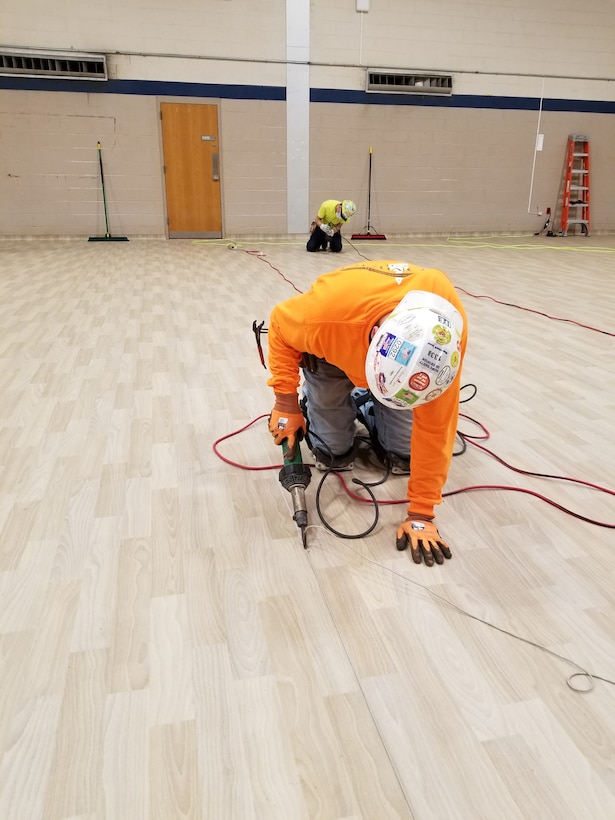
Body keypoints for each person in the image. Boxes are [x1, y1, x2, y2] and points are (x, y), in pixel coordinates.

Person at [266, 259, 468, 567]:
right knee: (332, 453)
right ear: (375, 335)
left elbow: (437, 427)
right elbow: (279, 324)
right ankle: (321, 395)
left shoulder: (443, 339)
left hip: (384, 366)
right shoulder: (324, 317)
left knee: (403, 456)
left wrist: (421, 514)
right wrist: (286, 402)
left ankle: (371, 400)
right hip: (332, 352)